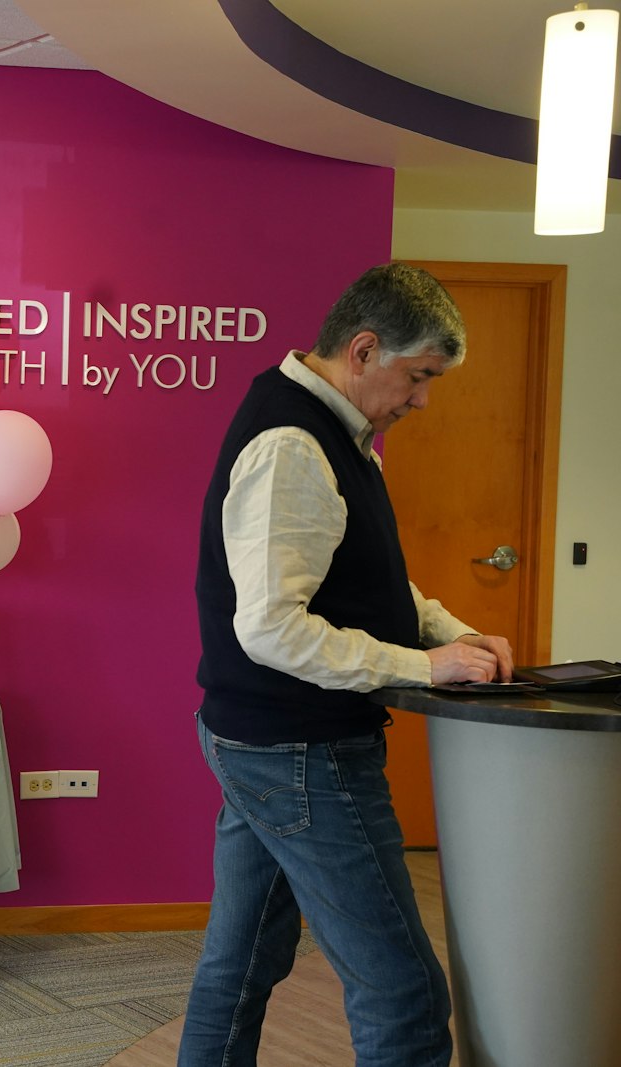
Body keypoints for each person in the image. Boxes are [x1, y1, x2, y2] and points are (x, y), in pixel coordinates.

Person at [179, 262, 514, 1067]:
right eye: (420, 375)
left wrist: (453, 632)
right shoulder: (295, 443)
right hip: (299, 750)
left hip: (263, 741)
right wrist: (425, 667)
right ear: (364, 350)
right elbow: (271, 629)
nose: (424, 399)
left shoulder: (334, 430)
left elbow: (365, 578)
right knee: (403, 992)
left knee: (243, 965)